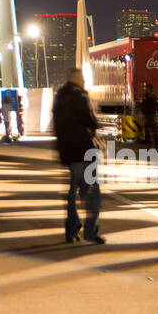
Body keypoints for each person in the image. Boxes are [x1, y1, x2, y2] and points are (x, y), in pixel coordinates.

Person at [53, 68, 103, 244]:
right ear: (76, 78)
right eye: (82, 78)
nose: (84, 80)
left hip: (66, 151)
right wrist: (96, 128)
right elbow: (88, 119)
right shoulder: (79, 95)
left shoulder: (60, 95)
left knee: (72, 194)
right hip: (82, 150)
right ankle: (90, 231)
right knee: (91, 194)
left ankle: (71, 230)